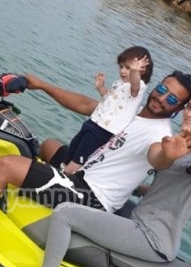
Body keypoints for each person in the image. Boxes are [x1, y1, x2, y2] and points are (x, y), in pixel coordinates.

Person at [37, 88, 191, 267]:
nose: (190, 113)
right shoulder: (183, 142)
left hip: (151, 236)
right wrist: (135, 188)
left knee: (65, 214)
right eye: (189, 107)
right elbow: (167, 189)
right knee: (104, 198)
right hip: (141, 219)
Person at [0, 71, 191, 221]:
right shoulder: (135, 111)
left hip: (91, 197)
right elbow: (86, 105)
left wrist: (167, 156)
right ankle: (24, 190)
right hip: (85, 174)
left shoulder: (160, 134)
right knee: (48, 146)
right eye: (162, 89)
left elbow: (157, 156)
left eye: (171, 99)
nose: (162, 98)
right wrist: (41, 85)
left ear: (178, 108)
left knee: (5, 166)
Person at [58, 46, 153, 174]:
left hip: (104, 130)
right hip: (94, 121)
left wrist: (134, 71)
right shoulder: (119, 83)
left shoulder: (137, 88)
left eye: (128, 68)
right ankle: (62, 168)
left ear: (142, 71)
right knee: (74, 145)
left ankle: (66, 175)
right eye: (121, 66)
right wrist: (101, 87)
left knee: (80, 155)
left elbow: (135, 82)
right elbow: (110, 100)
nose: (123, 71)